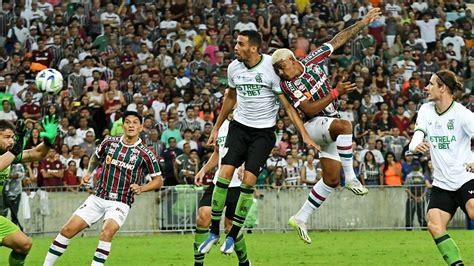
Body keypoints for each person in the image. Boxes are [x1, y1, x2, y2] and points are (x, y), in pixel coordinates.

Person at [199, 30, 317, 255]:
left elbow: (288, 107)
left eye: (240, 43)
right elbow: (231, 97)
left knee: (248, 183)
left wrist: (304, 133)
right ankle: (214, 232)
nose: (235, 47)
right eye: (236, 42)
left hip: (263, 133)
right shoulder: (234, 68)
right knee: (223, 175)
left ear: (253, 48)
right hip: (239, 127)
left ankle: (232, 236)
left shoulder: (270, 70)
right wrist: (216, 127)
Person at [270, 8, 381, 244]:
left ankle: (300, 217)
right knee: (344, 125)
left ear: (292, 60)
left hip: (327, 123)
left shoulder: (311, 59)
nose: (280, 72)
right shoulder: (289, 85)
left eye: (282, 66)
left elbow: (337, 40)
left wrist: (363, 22)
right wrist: (335, 92)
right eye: (277, 70)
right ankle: (352, 177)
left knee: (330, 179)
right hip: (312, 125)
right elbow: (308, 110)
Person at [43, 111, 163, 266]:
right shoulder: (109, 142)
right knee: (66, 230)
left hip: (120, 202)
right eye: (127, 122)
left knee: (106, 232)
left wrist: (142, 187)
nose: (131, 125)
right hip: (98, 197)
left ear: (140, 127)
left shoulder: (145, 153)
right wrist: (88, 173)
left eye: (135, 122)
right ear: (122, 125)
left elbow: (158, 180)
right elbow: (96, 156)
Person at [408, 70, 474, 265]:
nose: (426, 88)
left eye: (431, 84)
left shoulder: (462, 114)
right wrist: (414, 146)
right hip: (442, 183)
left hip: (464, 177)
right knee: (435, 225)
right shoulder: (426, 110)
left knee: (473, 211)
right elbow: (418, 133)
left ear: (442, 87)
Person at [0, 116, 59, 266]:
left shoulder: (10, 154)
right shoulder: (10, 154)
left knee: (24, 244)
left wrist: (48, 141)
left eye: (13, 138)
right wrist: (15, 149)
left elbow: (36, 154)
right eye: (7, 137)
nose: (11, 141)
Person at [193, 113, 250, 266]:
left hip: (237, 184)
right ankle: (198, 263)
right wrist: (204, 170)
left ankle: (244, 262)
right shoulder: (221, 126)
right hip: (219, 181)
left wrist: (245, 166)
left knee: (230, 227)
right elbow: (217, 153)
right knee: (203, 216)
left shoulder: (248, 124)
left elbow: (255, 151)